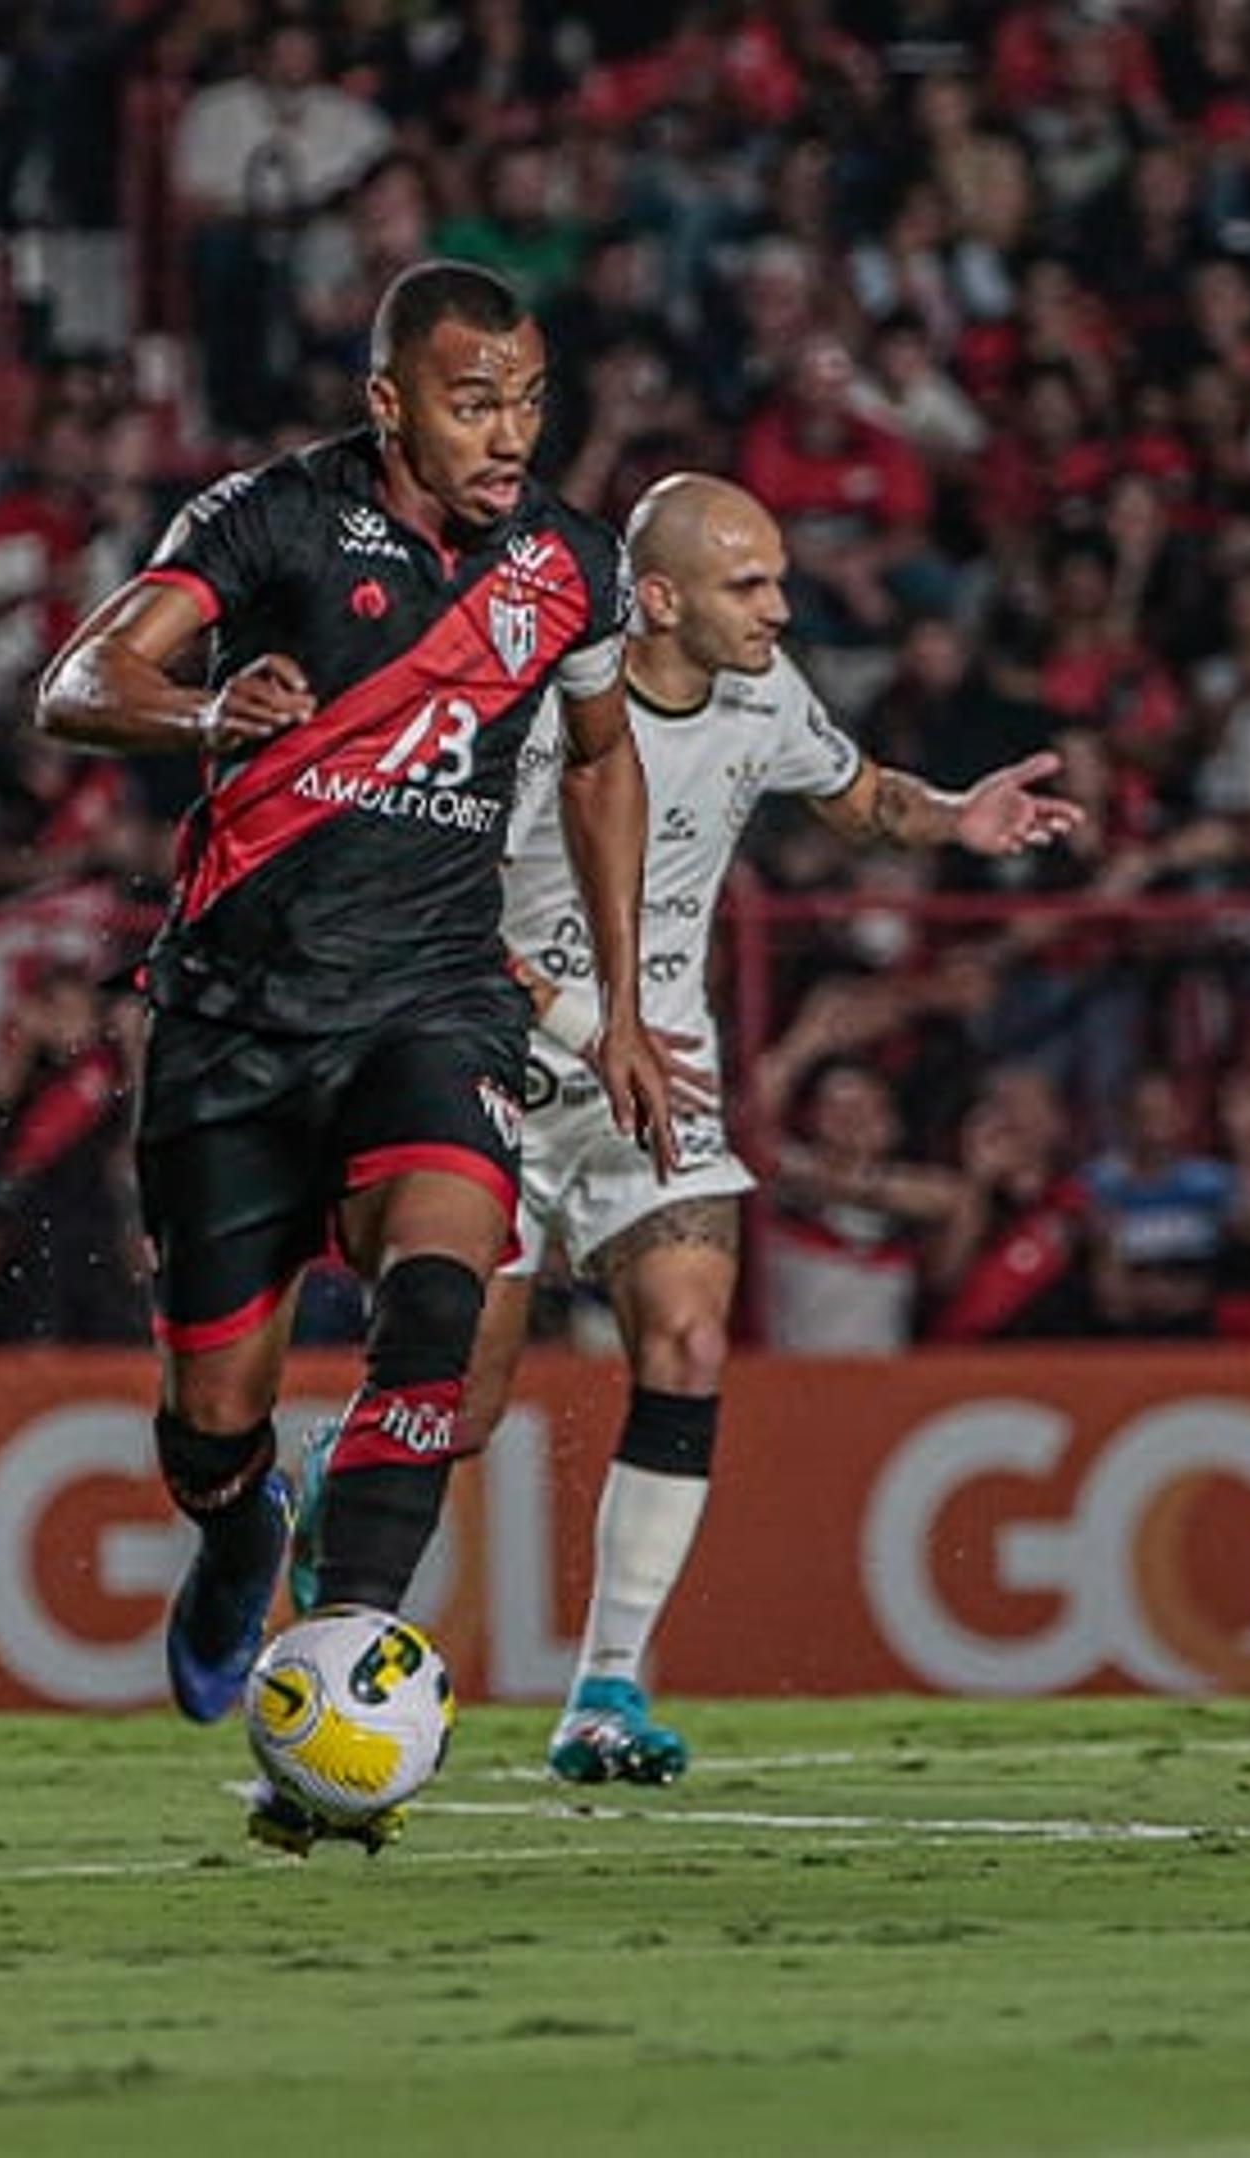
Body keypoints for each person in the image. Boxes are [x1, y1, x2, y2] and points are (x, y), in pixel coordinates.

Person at [33, 261, 678, 1828]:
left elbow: (601, 766)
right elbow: (78, 682)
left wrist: (625, 1003)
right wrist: (201, 718)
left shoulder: (568, 567)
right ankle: (241, 1528)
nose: (508, 432)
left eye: (527, 401)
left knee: (440, 1295)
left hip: (432, 1005)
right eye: (474, 403)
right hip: (238, 1026)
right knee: (210, 1416)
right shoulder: (269, 521)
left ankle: (342, 1668)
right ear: (390, 402)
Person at [327, 473, 1080, 1784]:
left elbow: (860, 798)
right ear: (658, 598)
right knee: (459, 1400)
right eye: (752, 585)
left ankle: (606, 1691)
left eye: (780, 580)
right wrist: (584, 1031)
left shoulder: (762, 696)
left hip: (656, 1088)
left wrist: (957, 813)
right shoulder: (543, 716)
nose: (780, 609)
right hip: (499, 1072)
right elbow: (443, 918)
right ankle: (328, 1605)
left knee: (683, 1333)